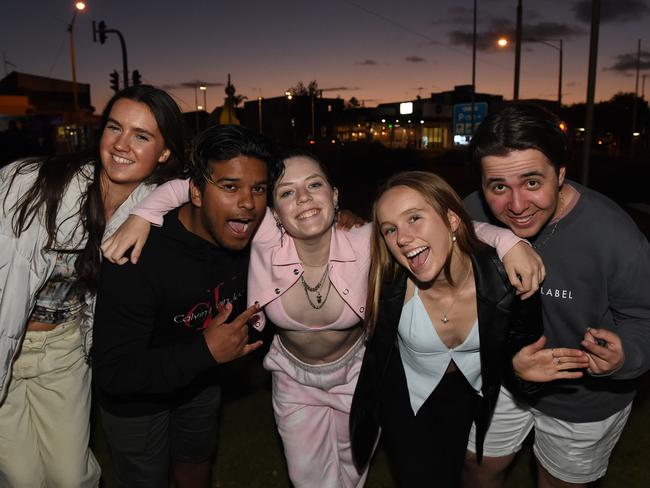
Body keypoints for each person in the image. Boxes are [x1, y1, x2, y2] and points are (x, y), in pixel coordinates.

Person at [104, 148, 546, 487]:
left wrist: (508, 242)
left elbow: (445, 223)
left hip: (358, 376)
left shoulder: (374, 240)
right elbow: (203, 185)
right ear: (274, 212)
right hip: (294, 380)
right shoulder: (262, 240)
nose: (303, 199)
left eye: (314, 185)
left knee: (352, 475)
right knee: (308, 478)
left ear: (335, 197)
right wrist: (143, 214)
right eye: (286, 192)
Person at [349, 171, 589, 488]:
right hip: (405, 399)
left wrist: (521, 374)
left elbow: (521, 361)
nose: (402, 238)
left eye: (414, 218)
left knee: (454, 476)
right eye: (390, 229)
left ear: (451, 220)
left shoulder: (507, 279)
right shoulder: (388, 281)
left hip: (468, 397)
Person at [0, 85, 185, 487]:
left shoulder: (152, 203)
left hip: (64, 351)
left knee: (72, 478)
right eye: (114, 128)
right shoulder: (33, 185)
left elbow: (213, 187)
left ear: (165, 152)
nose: (121, 145)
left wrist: (145, 213)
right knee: (21, 478)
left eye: (142, 136)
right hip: (5, 348)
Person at [463, 102, 650, 488]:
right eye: (499, 187)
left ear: (560, 174)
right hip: (497, 380)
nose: (516, 206)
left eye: (532, 182)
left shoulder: (614, 234)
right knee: (479, 470)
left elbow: (644, 317)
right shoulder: (473, 214)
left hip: (582, 397)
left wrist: (624, 355)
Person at [92, 125, 276, 488]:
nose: (247, 203)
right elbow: (113, 374)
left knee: (195, 466)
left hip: (200, 385)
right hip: (137, 404)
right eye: (229, 186)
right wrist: (205, 350)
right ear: (195, 190)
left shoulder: (250, 240)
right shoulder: (139, 257)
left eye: (258, 189)